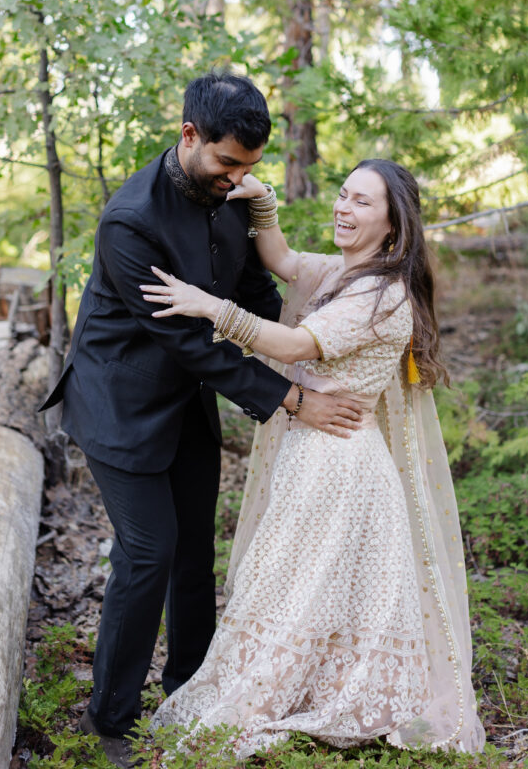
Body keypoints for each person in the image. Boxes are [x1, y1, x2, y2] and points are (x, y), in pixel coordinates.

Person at [39, 70, 362, 768]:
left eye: (249, 167)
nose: (237, 178)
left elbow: (252, 294)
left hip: (187, 400)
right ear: (189, 136)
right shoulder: (130, 221)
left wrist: (303, 339)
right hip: (120, 403)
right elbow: (189, 341)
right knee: (148, 553)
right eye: (226, 163)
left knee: (193, 556)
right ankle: (110, 723)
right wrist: (295, 403)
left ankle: (188, 689)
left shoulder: (231, 198)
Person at [142, 159, 485, 755]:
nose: (343, 210)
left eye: (361, 204)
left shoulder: (380, 295)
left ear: (394, 228)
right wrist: (262, 203)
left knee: (298, 584)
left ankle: (296, 700)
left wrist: (209, 307)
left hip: (341, 465)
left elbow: (298, 343)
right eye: (343, 196)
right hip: (316, 453)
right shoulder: (347, 271)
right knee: (295, 583)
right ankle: (298, 690)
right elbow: (285, 263)